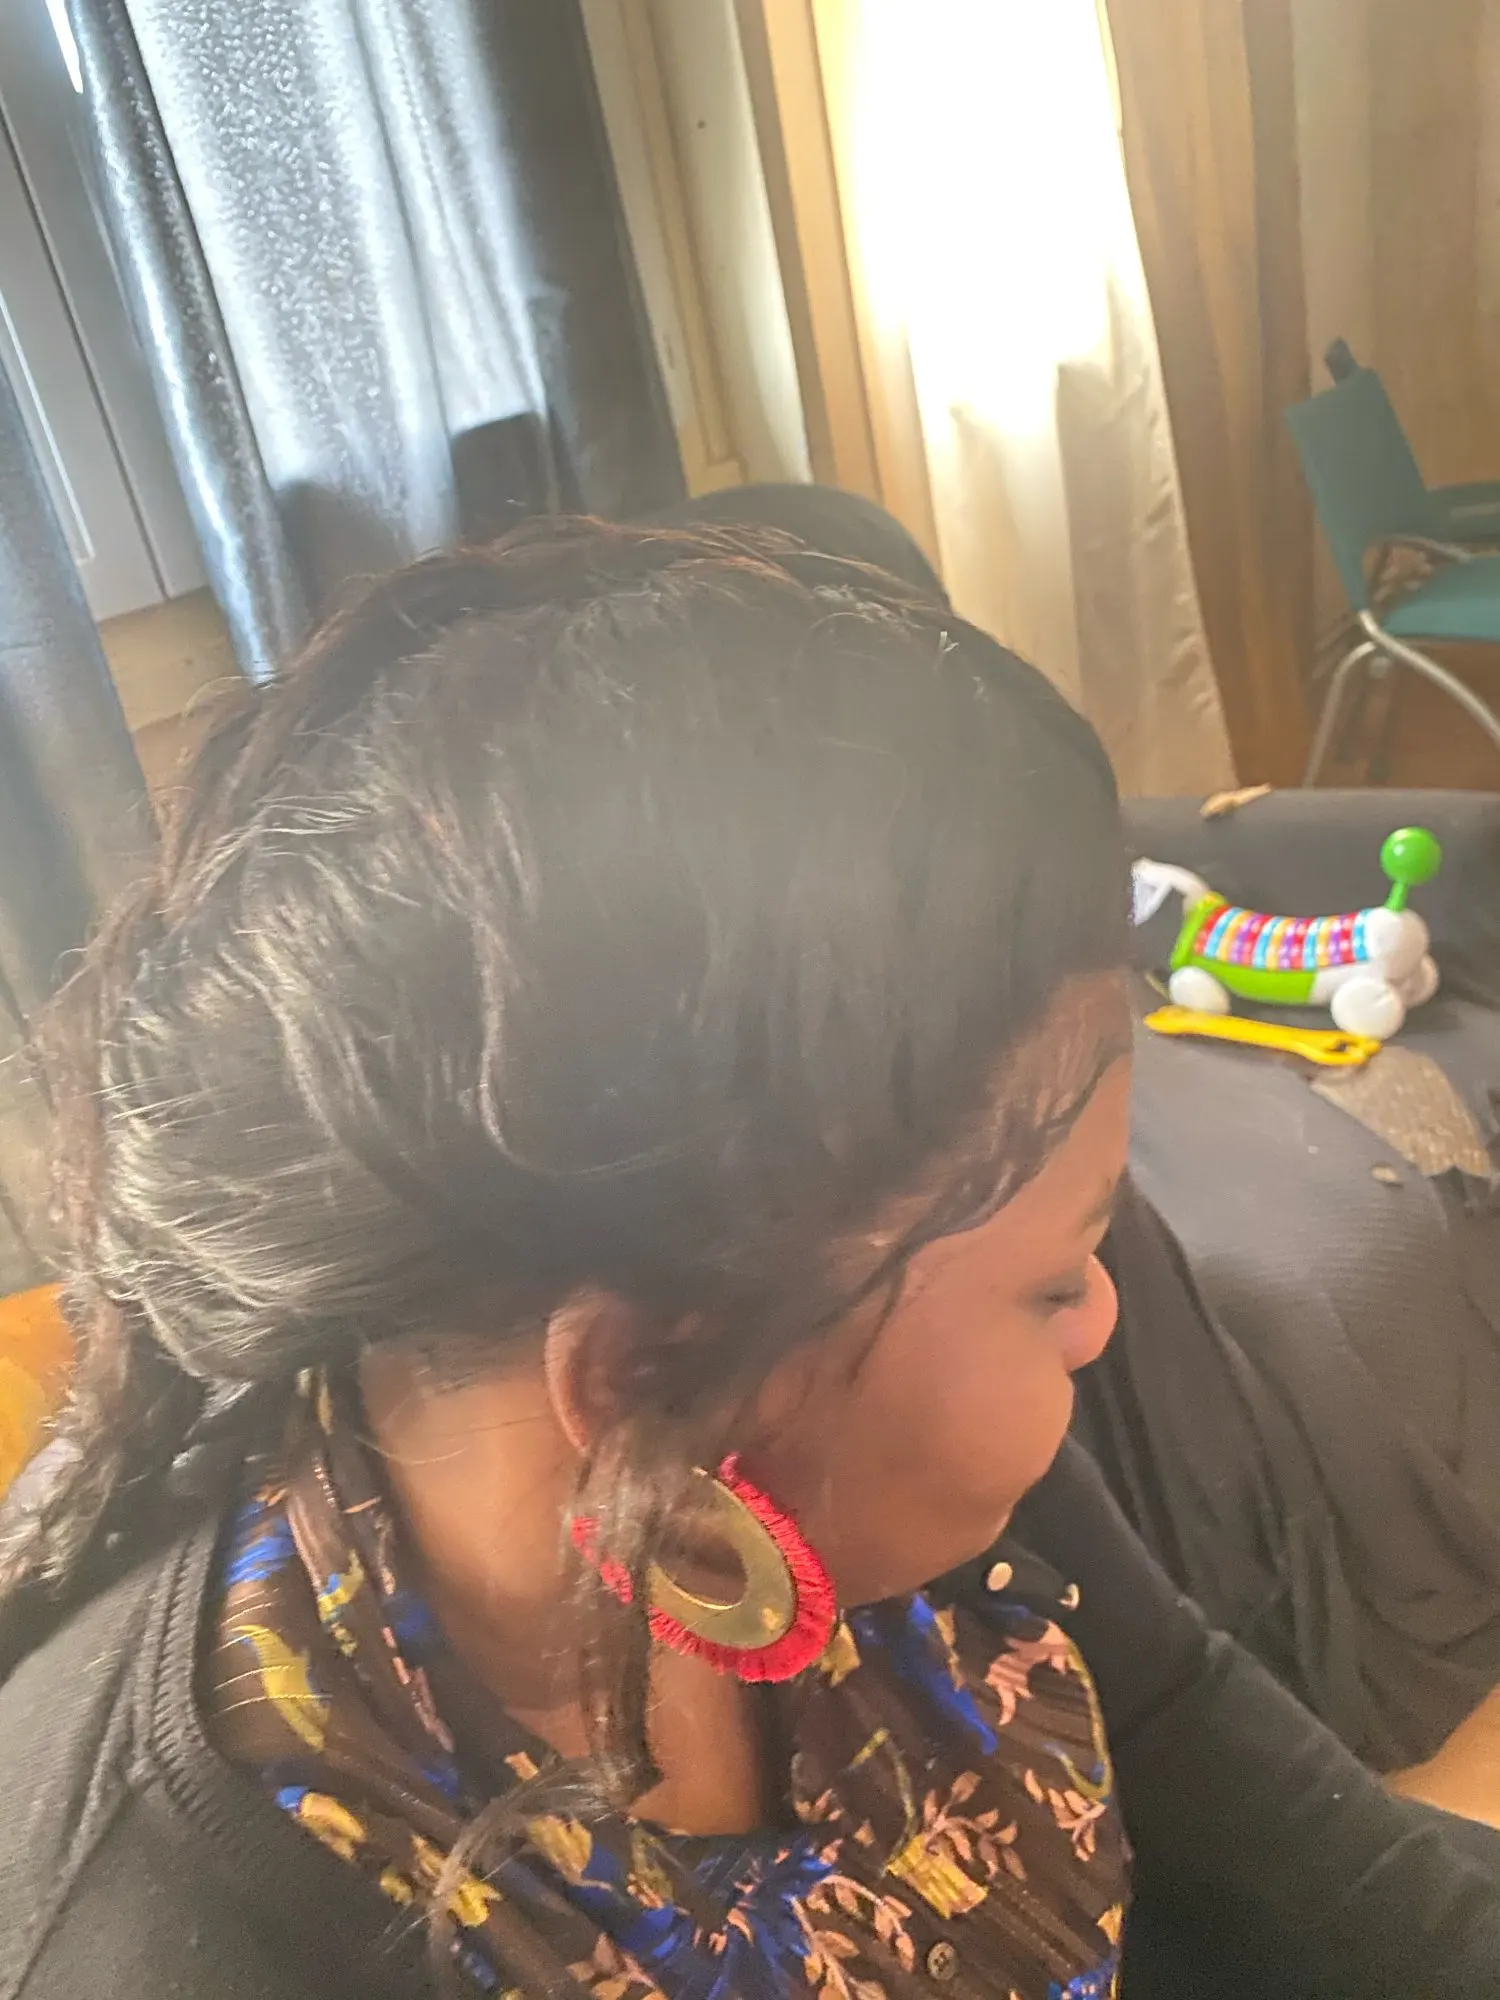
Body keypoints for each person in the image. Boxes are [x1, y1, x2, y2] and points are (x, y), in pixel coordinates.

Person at [0, 500, 1497, 2000]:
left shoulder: (837, 1409)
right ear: (651, 1381)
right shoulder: (189, 1937)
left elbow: (1227, 1776)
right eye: (1055, 1276)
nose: (1103, 1317)